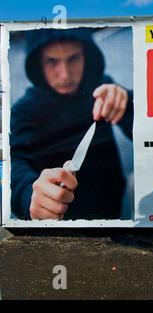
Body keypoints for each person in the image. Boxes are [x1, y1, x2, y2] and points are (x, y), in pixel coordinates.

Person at [10, 28, 134, 220]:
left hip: (114, 214)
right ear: (38, 64)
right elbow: (14, 162)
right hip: (59, 228)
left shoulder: (102, 89)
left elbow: (149, 133)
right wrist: (29, 196)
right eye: (52, 61)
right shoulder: (25, 110)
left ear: (86, 55)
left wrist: (127, 103)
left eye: (73, 58)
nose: (65, 74)